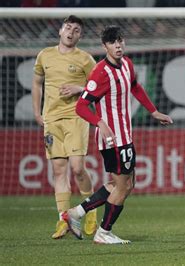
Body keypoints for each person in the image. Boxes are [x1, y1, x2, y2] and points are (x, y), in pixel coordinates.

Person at [62, 25, 173, 244]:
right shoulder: (100, 73)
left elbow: (136, 87)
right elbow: (82, 106)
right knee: (124, 186)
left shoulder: (127, 65)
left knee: (120, 184)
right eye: (113, 42)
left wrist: (154, 111)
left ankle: (75, 213)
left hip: (125, 136)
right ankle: (103, 232)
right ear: (105, 46)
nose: (118, 45)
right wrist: (100, 123)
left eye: (120, 41)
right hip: (113, 139)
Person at [32, 15, 97, 239]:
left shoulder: (86, 59)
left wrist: (79, 88)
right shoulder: (45, 55)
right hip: (52, 120)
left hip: (76, 117)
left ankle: (91, 211)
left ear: (80, 35)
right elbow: (37, 83)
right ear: (60, 30)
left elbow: (97, 88)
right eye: (68, 28)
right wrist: (37, 112)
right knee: (59, 170)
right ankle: (63, 220)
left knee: (78, 168)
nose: (71, 32)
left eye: (76, 29)